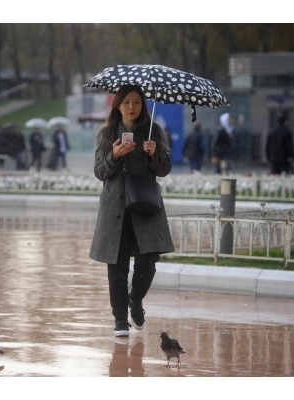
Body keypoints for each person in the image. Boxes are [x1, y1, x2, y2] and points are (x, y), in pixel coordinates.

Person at [89, 85, 175, 338]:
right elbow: (99, 172)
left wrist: (153, 155)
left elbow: (164, 169)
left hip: (144, 208)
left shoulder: (153, 132)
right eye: (126, 102)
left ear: (142, 105)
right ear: (117, 105)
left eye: (136, 102)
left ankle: (135, 302)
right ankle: (119, 320)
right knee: (117, 268)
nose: (131, 107)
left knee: (148, 264)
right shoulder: (107, 134)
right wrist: (114, 156)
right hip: (115, 209)